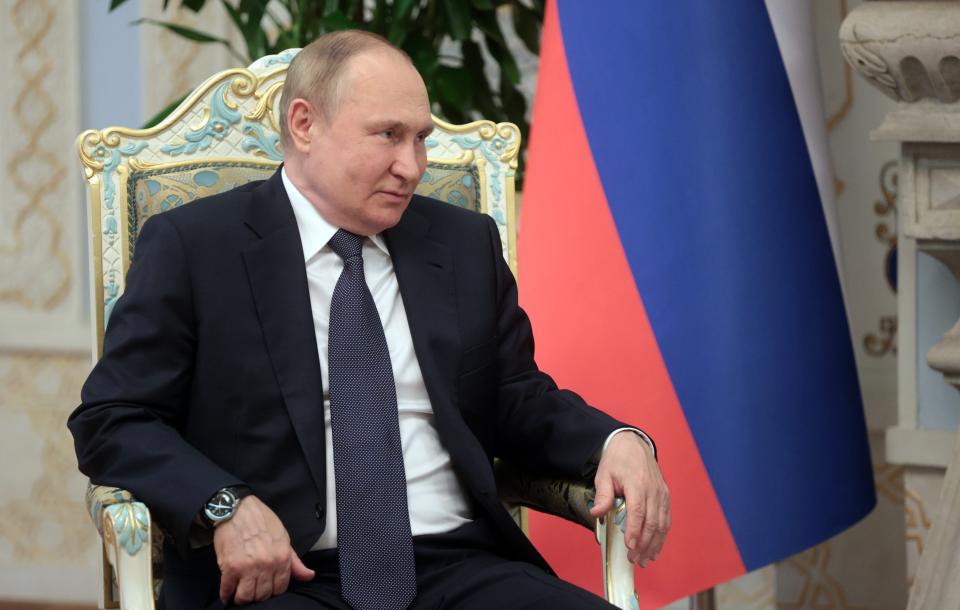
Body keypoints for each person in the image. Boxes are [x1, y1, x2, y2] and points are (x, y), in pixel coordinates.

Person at [69, 30, 669, 610]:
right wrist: (225, 505)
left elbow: (516, 396)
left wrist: (615, 441)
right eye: (387, 135)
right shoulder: (197, 247)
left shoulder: (461, 244)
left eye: (421, 140)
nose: (411, 166)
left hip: (458, 567)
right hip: (285, 579)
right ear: (304, 125)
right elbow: (113, 419)